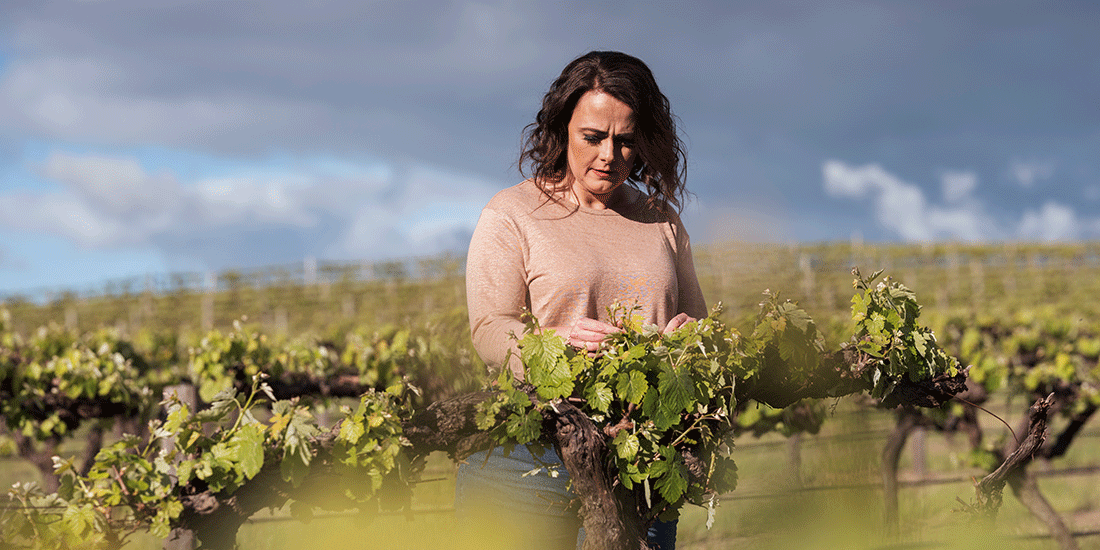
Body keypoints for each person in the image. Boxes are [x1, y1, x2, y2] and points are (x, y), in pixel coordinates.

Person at [456, 51, 707, 550]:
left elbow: (701, 323)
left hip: (641, 461)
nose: (609, 155)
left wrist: (689, 339)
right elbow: (489, 328)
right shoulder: (512, 214)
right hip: (526, 459)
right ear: (561, 130)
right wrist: (554, 340)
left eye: (625, 140)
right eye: (593, 138)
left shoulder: (662, 220)